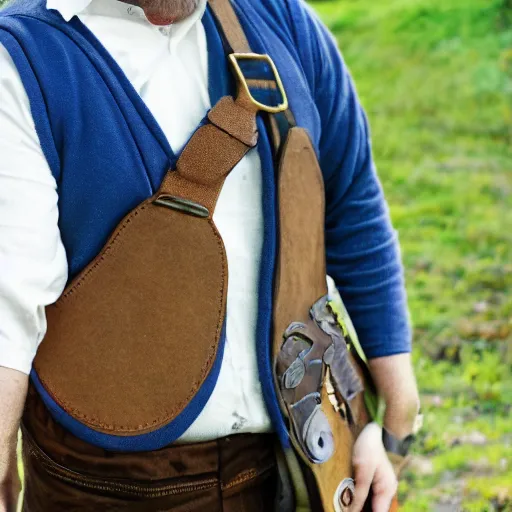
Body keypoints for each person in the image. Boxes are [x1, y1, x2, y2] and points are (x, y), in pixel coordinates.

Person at [0, 0, 420, 510]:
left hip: (305, 462)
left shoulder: (280, 19)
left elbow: (349, 198)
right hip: (110, 488)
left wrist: (395, 398)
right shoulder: (20, 58)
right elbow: (6, 310)